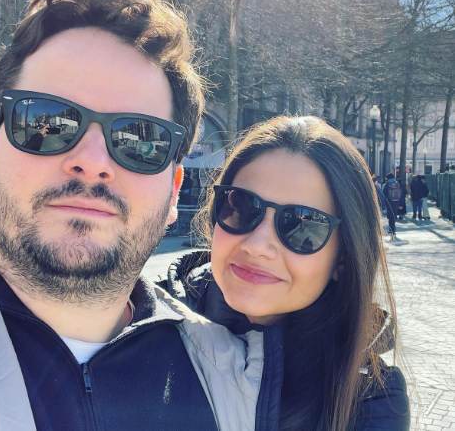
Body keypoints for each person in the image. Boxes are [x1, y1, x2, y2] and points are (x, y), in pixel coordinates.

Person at [0, 0, 264, 431]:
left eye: (139, 138)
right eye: (46, 121)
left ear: (173, 191)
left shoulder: (240, 381)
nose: (91, 162)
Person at [160, 116, 410, 431]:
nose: (257, 246)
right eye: (242, 207)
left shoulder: (371, 400)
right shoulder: (139, 327)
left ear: (343, 261)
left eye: (302, 225)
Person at [383, 172, 403, 240]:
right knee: (394, 216)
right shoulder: (397, 184)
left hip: (389, 202)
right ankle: (393, 230)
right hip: (397, 202)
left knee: (390, 216)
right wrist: (401, 204)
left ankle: (391, 230)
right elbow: (401, 194)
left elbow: (384, 193)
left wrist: (384, 203)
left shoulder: (387, 184)